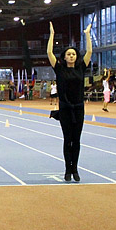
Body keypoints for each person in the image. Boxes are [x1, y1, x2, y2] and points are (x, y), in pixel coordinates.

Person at [47, 21, 92, 182]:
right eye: (69, 54)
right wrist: (52, 35)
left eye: (74, 54)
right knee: (68, 140)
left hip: (79, 108)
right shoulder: (59, 69)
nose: (71, 56)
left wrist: (87, 35)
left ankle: (75, 169)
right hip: (65, 108)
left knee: (77, 140)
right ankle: (67, 169)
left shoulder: (81, 68)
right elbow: (49, 53)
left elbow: (90, 51)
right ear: (64, 57)